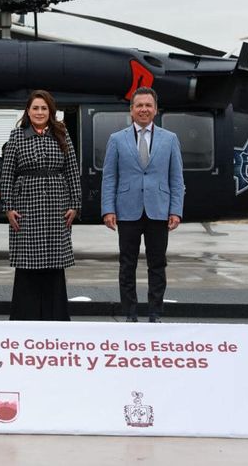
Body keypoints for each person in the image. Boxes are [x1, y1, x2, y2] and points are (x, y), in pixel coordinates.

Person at [101, 86, 185, 323]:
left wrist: (175, 210)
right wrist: (108, 209)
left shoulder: (170, 140)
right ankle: (129, 312)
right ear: (131, 110)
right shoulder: (116, 140)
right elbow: (110, 177)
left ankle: (155, 312)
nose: (144, 110)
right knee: (127, 265)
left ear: (155, 110)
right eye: (139, 105)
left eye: (148, 105)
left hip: (159, 210)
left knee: (157, 264)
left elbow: (176, 178)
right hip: (127, 210)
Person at [0, 90, 82, 321]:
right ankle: (25, 318)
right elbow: (7, 173)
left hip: (57, 203)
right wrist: (8, 206)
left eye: (44, 108)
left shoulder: (62, 134)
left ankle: (55, 318)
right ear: (28, 111)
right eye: (35, 108)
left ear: (50, 111)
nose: (39, 112)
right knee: (28, 263)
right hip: (27, 203)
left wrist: (75, 203)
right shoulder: (17, 136)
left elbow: (72, 170)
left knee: (55, 263)